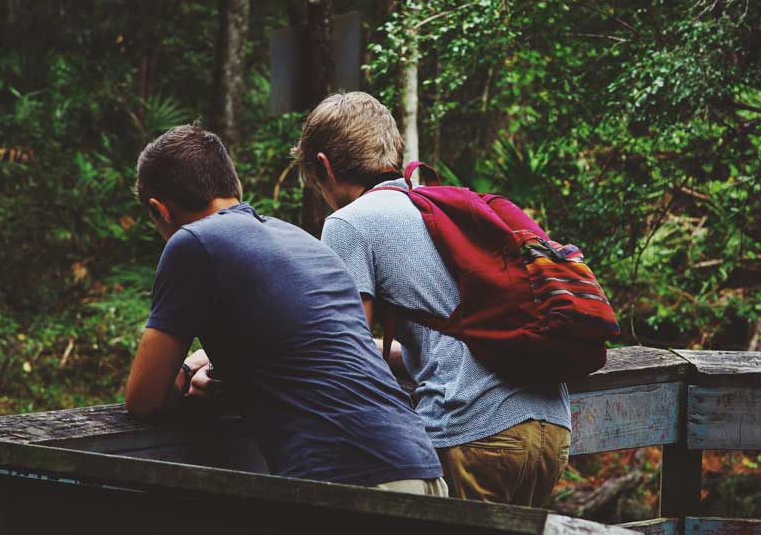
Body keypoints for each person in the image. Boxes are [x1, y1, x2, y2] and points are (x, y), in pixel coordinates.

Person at [125, 124, 446, 494]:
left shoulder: (192, 242)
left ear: (160, 210)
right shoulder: (302, 241)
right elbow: (312, 353)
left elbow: (144, 398)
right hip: (420, 465)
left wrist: (182, 372)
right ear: (235, 188)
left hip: (349, 477)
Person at [292, 92, 572, 505]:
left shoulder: (348, 223)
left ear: (324, 166)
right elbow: (445, 339)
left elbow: (344, 353)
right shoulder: (439, 208)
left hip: (474, 430)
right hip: (551, 427)